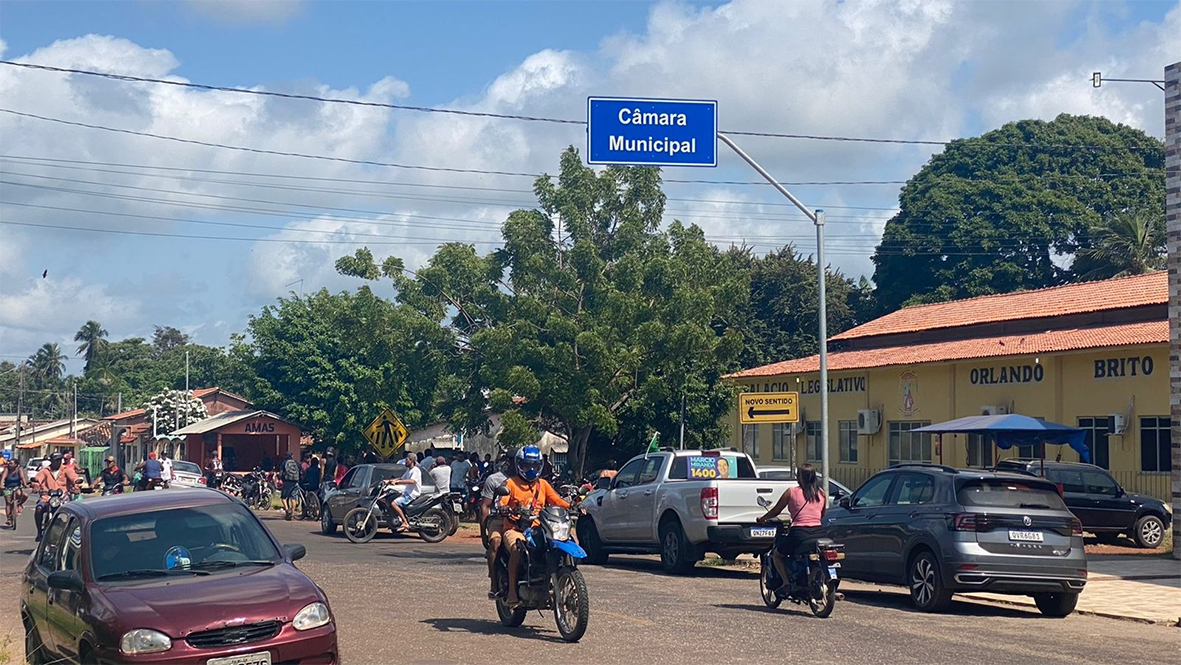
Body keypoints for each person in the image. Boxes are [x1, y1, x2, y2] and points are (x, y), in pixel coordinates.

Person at [499, 446, 570, 607]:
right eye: (526, 465)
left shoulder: (543, 484)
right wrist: (504, 508)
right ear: (518, 465)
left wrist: (574, 505)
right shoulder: (510, 483)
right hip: (515, 529)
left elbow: (557, 501)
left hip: (542, 528)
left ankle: (563, 582)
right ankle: (511, 591)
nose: (531, 469)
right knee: (519, 548)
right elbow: (501, 501)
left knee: (566, 541)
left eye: (535, 466)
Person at [756, 463, 827, 595]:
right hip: (818, 532)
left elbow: (776, 511)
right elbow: (822, 514)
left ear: (800, 477)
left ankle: (786, 583)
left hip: (799, 533)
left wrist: (762, 518)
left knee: (777, 554)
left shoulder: (792, 492)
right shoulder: (821, 493)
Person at [480, 454, 511, 598]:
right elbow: (485, 506)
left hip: (525, 520)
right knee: (496, 542)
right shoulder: (494, 479)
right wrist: (483, 532)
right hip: (498, 519)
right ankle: (494, 583)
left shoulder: (531, 480)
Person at [31, 452, 81, 541]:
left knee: (71, 513)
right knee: (38, 509)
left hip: (63, 497)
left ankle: (71, 533)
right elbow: (37, 479)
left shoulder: (66, 470)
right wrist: (35, 485)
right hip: (47, 497)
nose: (57, 462)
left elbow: (74, 478)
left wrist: (77, 484)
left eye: (58, 460)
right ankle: (39, 532)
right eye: (55, 460)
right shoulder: (45, 470)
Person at [383, 453, 421, 532]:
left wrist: (398, 482)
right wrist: (390, 481)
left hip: (411, 494)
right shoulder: (409, 470)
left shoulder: (416, 470)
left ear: (412, 461)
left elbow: (412, 481)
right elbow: (401, 478)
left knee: (394, 503)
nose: (405, 462)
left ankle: (405, 522)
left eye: (407, 460)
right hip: (406, 493)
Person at [2, 454, 28, 529]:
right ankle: (9, 519)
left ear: (16, 465)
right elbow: (3, 478)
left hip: (17, 487)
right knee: (8, 503)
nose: (9, 465)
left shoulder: (19, 469)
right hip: (8, 487)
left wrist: (25, 484)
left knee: (24, 495)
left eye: (11, 463)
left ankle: (19, 504)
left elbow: (22, 478)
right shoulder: (7, 469)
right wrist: (1, 485)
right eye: (9, 463)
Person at [280, 451, 301, 521]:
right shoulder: (296, 463)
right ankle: (292, 513)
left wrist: (282, 479)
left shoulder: (284, 463)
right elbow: (301, 471)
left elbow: (281, 473)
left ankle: (287, 510)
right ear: (292, 456)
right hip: (295, 481)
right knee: (293, 498)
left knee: (283, 497)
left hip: (287, 482)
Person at [301, 454, 322, 519]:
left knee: (305, 497)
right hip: (316, 486)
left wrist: (302, 482)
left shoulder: (308, 469)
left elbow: (306, 478)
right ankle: (316, 511)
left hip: (309, 486)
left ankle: (304, 510)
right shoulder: (319, 470)